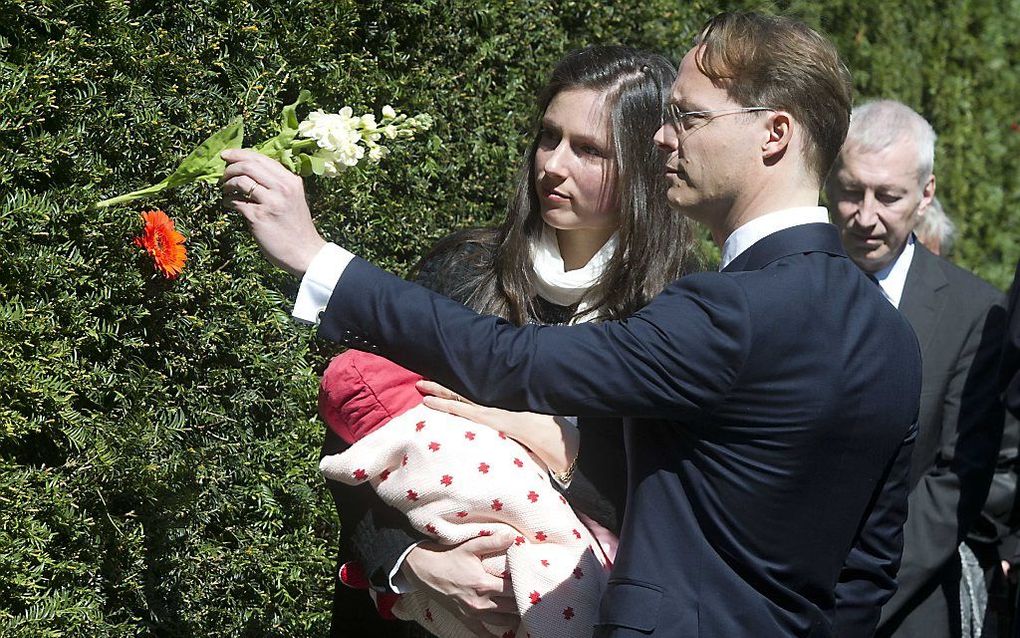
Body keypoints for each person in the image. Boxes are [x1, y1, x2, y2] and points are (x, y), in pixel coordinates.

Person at [221, 11, 922, 637]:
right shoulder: (892, 337)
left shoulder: (726, 310)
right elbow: (864, 573)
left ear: (775, 134)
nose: (664, 138)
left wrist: (317, 258)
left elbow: (512, 363)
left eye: (689, 116)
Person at [316, 45, 696, 637]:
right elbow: (359, 435)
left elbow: (671, 508)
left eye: (589, 149)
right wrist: (413, 564)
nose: (553, 164)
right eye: (549, 137)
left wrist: (547, 441)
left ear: (649, 166)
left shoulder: (676, 313)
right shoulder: (463, 272)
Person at [826, 99, 1007, 638]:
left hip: (902, 607)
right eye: (851, 191)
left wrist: (857, 597)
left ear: (925, 194)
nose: (865, 216)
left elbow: (956, 478)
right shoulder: (777, 283)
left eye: (889, 197)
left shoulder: (972, 313)